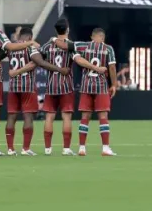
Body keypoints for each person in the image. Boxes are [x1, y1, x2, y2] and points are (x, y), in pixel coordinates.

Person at [0, 26, 57, 156]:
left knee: (11, 116)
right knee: (28, 116)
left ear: (19, 36)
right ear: (30, 37)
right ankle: (25, 149)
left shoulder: (10, 48)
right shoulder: (31, 48)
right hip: (28, 86)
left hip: (13, 87)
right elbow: (37, 61)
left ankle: (10, 149)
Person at [40, 19, 106, 155]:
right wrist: (95, 68)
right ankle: (66, 148)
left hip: (51, 85)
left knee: (49, 117)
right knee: (66, 117)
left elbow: (38, 59)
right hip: (66, 86)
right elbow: (79, 60)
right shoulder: (70, 46)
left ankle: (47, 149)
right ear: (68, 30)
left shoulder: (48, 45)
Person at [75, 28, 118, 156]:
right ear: (103, 38)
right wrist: (114, 84)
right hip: (101, 86)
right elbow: (111, 67)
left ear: (92, 37)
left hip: (86, 85)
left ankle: (82, 148)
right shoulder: (108, 49)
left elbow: (69, 45)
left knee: (85, 117)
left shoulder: (83, 46)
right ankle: (105, 148)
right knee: (103, 117)